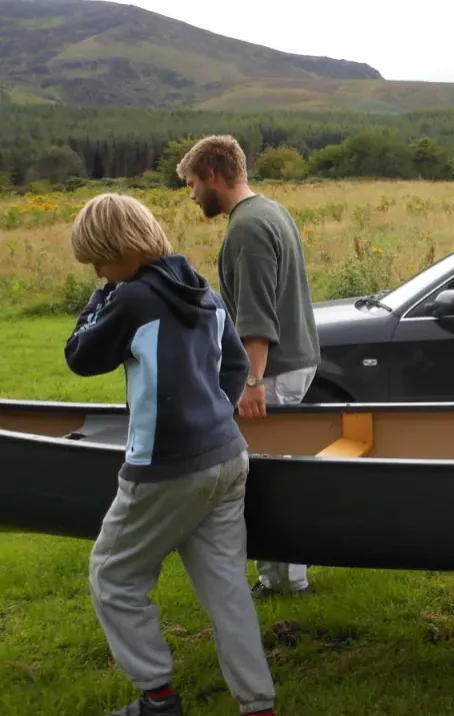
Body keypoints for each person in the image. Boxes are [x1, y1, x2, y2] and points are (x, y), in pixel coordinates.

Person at [64, 193, 276, 716]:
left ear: (118, 249)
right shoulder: (199, 287)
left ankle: (157, 699)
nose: (97, 270)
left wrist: (100, 296)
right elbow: (232, 366)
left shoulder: (132, 299)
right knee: (227, 588)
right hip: (228, 456)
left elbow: (80, 355)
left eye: (98, 260)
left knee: (113, 576)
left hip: (165, 468)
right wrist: (211, 417)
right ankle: (259, 704)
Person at [177, 134, 320, 599]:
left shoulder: (247, 228)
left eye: (194, 183)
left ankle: (280, 583)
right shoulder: (270, 211)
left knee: (264, 476)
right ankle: (286, 577)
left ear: (214, 175)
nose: (193, 193)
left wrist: (252, 382)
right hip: (291, 361)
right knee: (280, 469)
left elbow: (256, 317)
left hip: (272, 369)